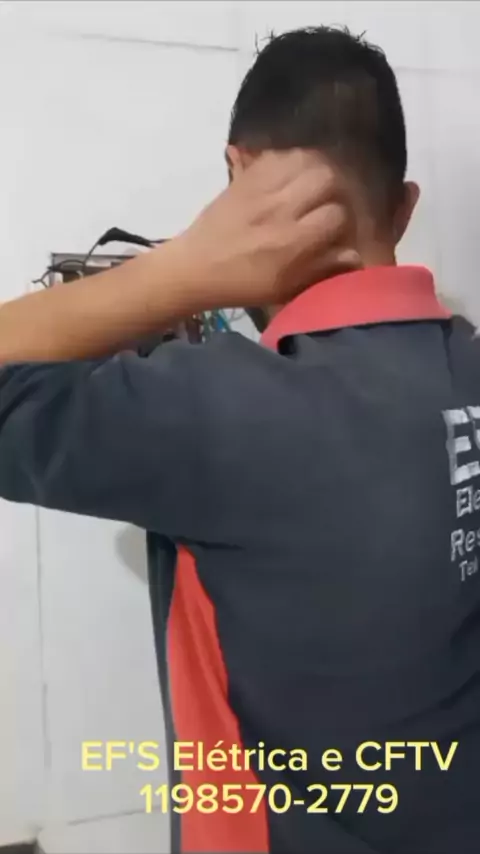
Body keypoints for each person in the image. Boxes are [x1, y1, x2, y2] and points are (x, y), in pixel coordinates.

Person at [0, 25, 479, 854]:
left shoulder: (221, 409)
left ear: (238, 180)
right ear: (405, 207)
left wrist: (182, 270)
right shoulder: (466, 365)